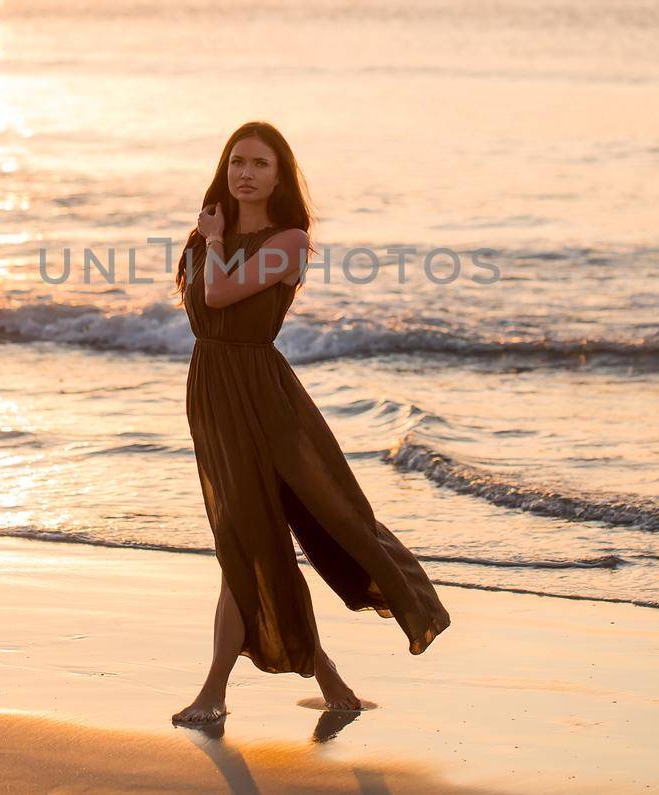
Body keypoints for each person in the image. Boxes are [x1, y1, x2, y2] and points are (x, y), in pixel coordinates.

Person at [171, 121, 451, 726]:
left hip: (263, 400)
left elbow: (218, 296)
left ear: (280, 175)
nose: (245, 173)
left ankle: (214, 690)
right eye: (237, 161)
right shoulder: (205, 235)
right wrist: (209, 237)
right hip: (212, 394)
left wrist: (212, 240)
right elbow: (201, 314)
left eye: (260, 164)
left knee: (268, 537)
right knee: (248, 541)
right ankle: (327, 678)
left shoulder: (288, 240)